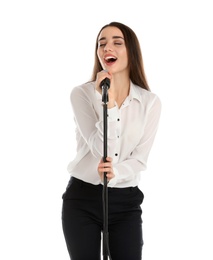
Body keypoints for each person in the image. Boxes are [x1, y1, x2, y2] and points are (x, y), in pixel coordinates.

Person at [61, 21, 161, 260]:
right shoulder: (82, 94)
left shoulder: (149, 102)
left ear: (132, 51)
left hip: (125, 202)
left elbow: (140, 160)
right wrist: (109, 104)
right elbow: (99, 148)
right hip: (82, 199)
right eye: (101, 43)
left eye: (117, 42)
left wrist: (116, 172)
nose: (108, 48)